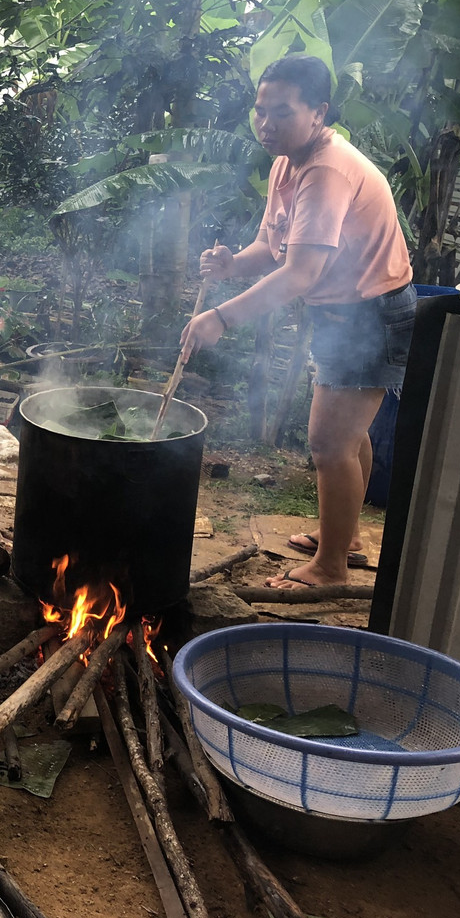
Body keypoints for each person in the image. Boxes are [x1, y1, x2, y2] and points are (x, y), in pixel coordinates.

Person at [180, 53, 415, 591]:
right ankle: (346, 538)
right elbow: (272, 246)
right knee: (347, 438)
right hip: (342, 311)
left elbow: (301, 273)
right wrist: (232, 265)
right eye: (259, 111)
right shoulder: (288, 161)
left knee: (329, 443)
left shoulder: (327, 170)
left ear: (319, 112)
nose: (265, 123)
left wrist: (222, 317)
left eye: (281, 112)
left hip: (371, 312)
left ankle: (331, 569)